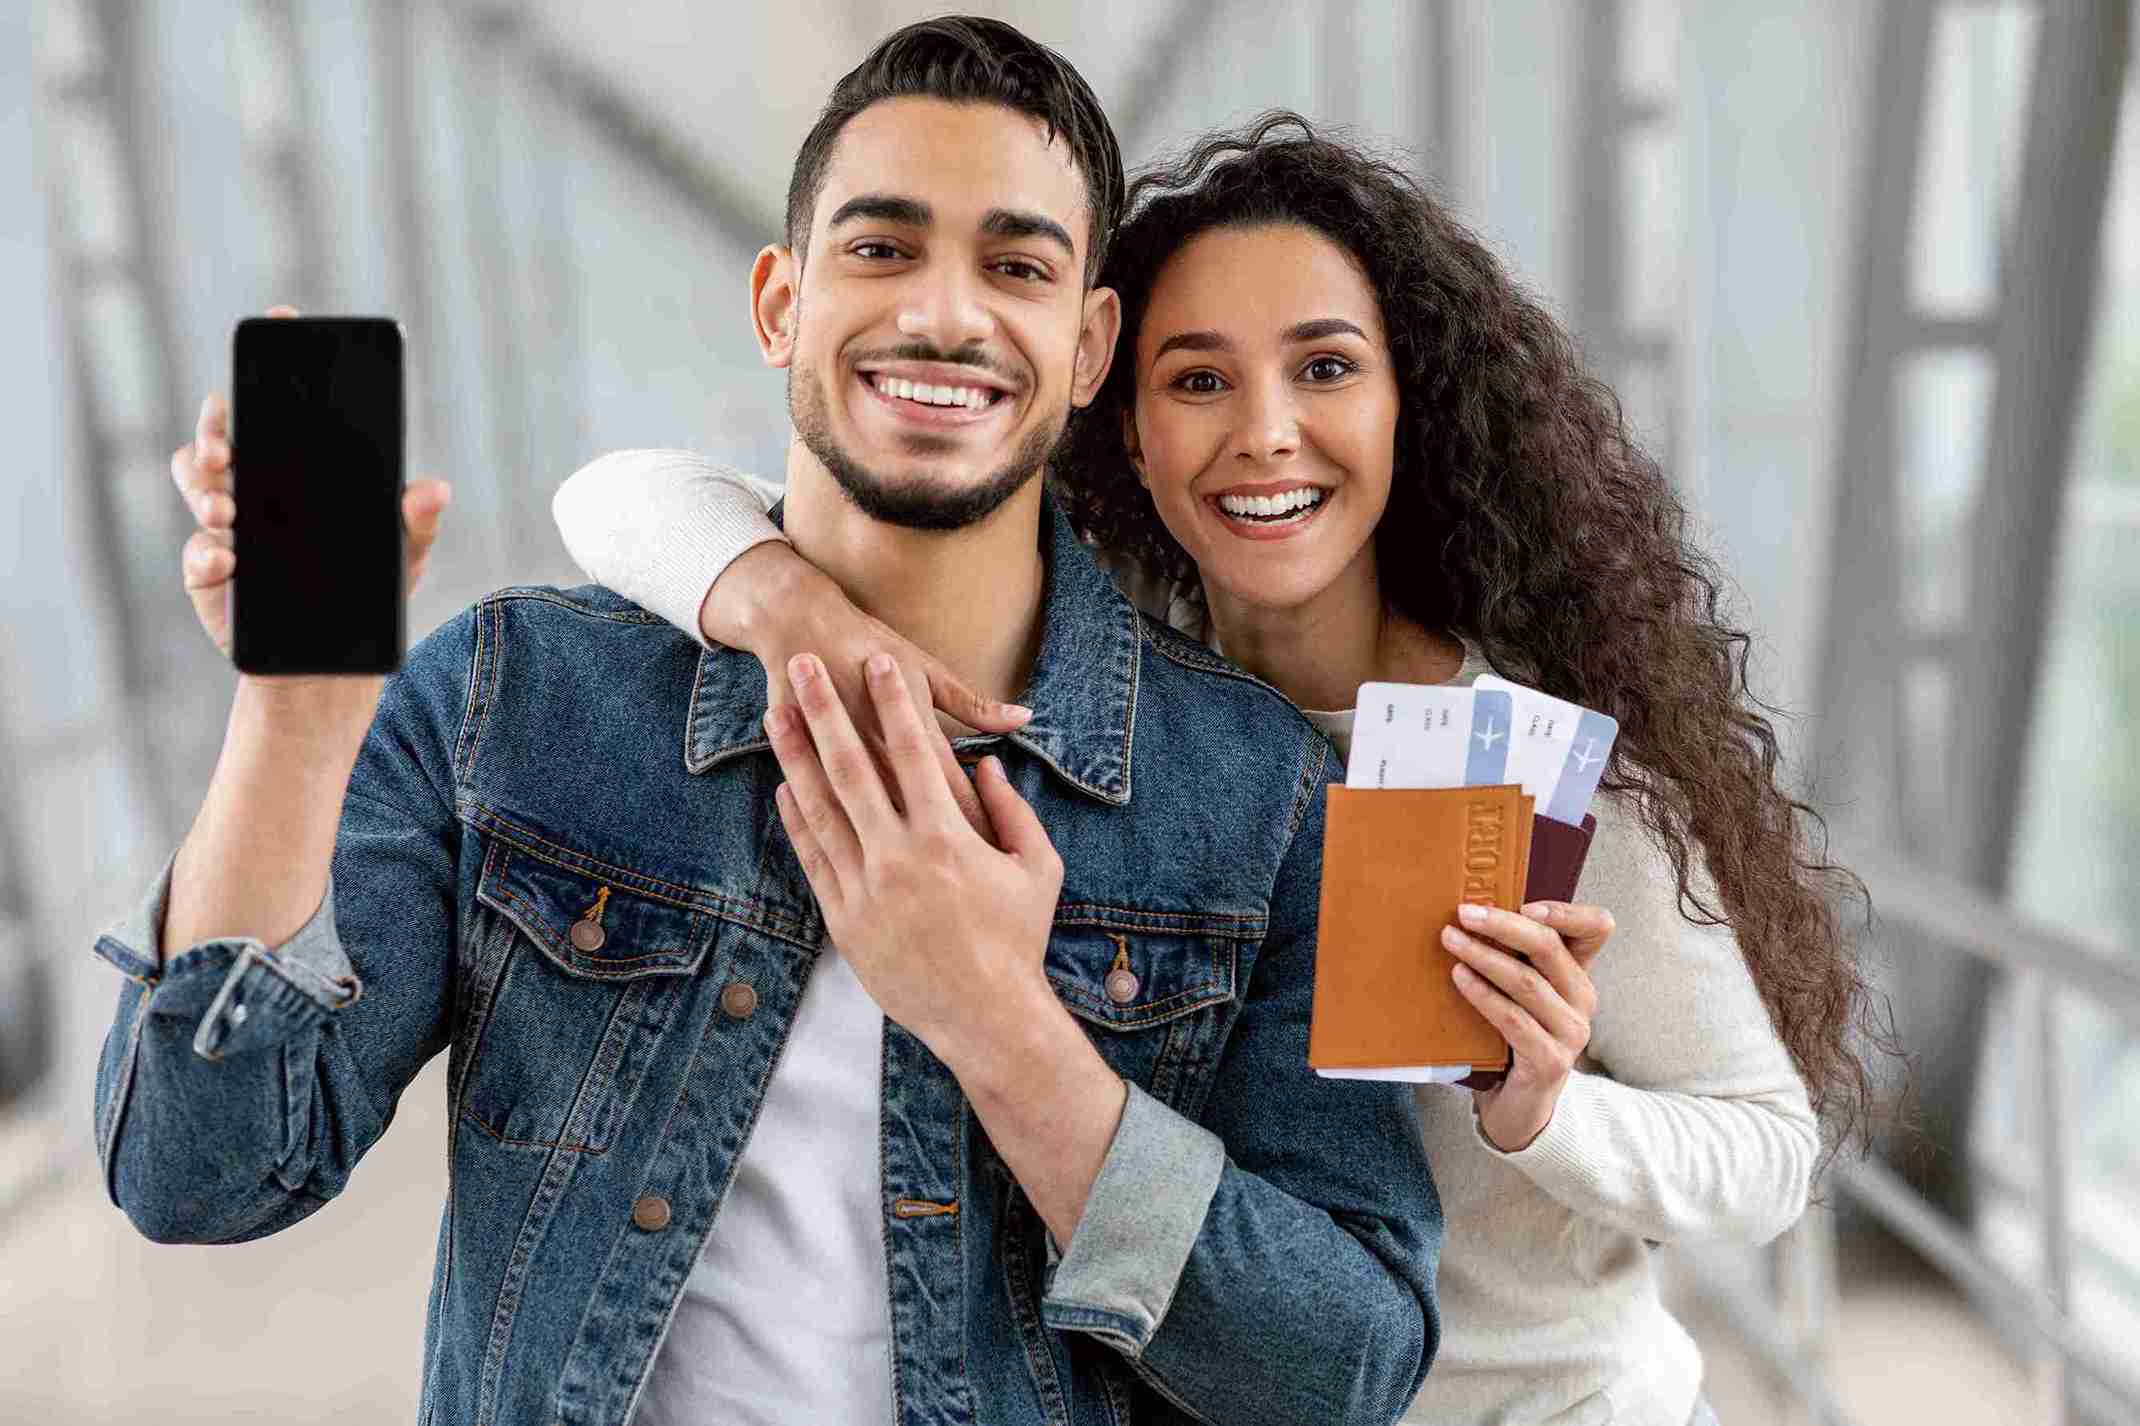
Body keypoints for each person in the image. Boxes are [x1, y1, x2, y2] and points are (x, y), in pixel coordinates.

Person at [93, 23, 1445, 1426]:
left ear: (1091, 343)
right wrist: (297, 722)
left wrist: (1003, 1030)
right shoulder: (518, 699)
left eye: (1018, 266)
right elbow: (197, 1171)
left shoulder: (1259, 798)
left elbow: (1341, 1373)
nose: (944, 313)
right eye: (881, 248)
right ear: (777, 302)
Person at [554, 113, 1893, 1426]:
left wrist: (1542, 1107)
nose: (1263, 432)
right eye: (1198, 380)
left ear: (1402, 406)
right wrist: (791, 605)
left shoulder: (1555, 781)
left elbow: (1772, 1155)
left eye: (1323, 369)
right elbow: (613, 498)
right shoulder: (1124, 737)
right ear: (1124, 427)